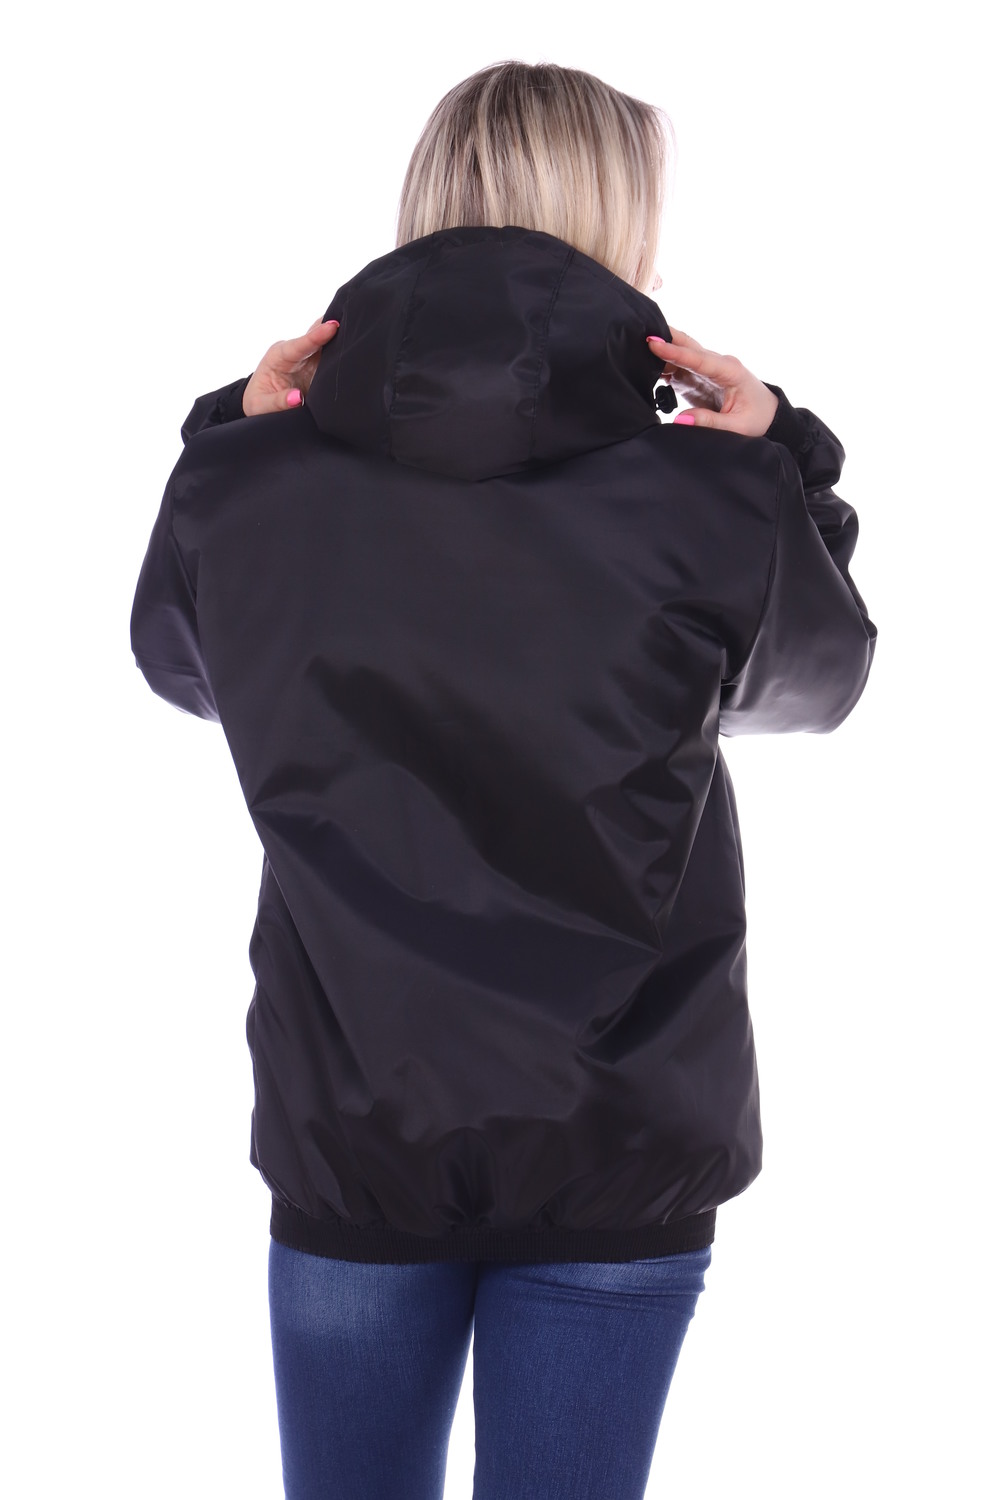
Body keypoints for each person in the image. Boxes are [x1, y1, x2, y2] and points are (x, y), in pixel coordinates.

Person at [130, 59, 876, 1500]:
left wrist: (230, 436)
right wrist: (784, 455)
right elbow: (819, 683)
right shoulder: (706, 497)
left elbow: (178, 664)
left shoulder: (252, 488)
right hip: (619, 1138)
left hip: (354, 1131)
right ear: (619, 218)